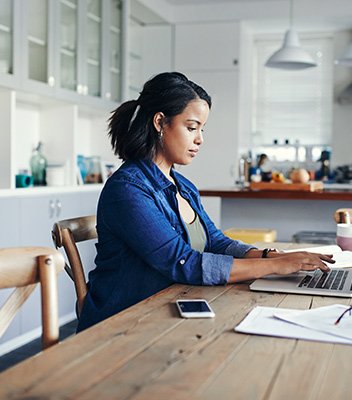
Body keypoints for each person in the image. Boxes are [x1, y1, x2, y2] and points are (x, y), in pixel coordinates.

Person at [77, 72, 333, 332]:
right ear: (160, 123)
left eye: (202, 129)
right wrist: (272, 266)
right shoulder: (128, 189)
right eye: (191, 127)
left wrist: (273, 256)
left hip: (169, 309)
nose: (200, 139)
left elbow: (215, 242)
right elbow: (183, 262)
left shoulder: (184, 187)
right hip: (122, 323)